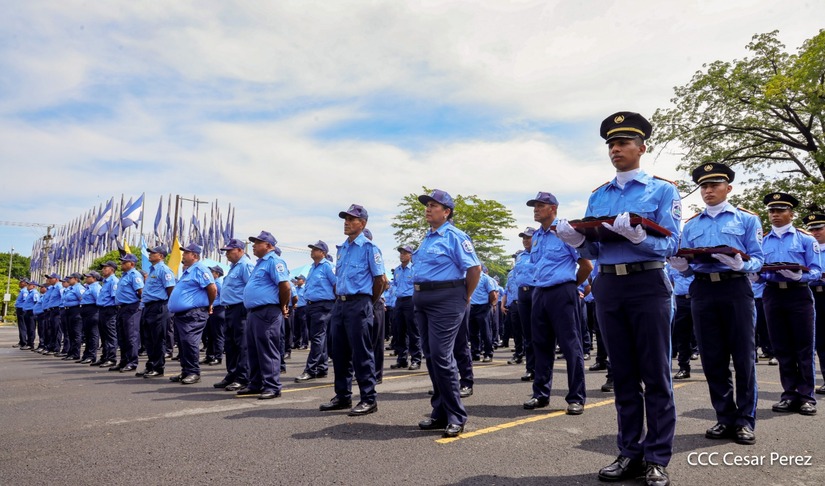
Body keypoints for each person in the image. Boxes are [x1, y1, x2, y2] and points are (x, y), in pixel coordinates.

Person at [555, 112, 680, 486]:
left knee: (655, 374)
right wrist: (578, 241)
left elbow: (673, 243)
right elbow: (594, 242)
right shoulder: (599, 194)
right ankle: (630, 452)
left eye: (624, 142)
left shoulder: (662, 189)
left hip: (648, 284)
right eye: (611, 143)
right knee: (623, 374)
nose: (616, 149)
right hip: (609, 285)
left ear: (642, 148)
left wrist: (641, 238)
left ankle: (657, 457)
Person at [668, 163, 764, 445]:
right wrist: (681, 267)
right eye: (704, 186)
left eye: (714, 185)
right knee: (713, 358)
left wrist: (743, 264)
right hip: (703, 291)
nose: (708, 191)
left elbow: (759, 258)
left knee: (744, 357)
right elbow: (687, 267)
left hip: (736, 288)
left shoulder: (747, 219)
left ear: (728, 188)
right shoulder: (692, 224)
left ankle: (745, 420)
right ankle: (724, 417)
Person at [413, 189, 481, 438]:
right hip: (423, 298)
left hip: (447, 298)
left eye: (433, 205)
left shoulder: (454, 236)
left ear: (447, 211)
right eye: (427, 205)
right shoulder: (428, 238)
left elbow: (474, 268)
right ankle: (440, 412)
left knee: (442, 356)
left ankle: (456, 415)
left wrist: (466, 296)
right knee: (431, 356)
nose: (428, 209)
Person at [524, 191, 592, 415]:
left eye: (540, 205)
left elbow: (586, 266)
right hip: (540, 292)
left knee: (570, 346)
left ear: (553, 208)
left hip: (562, 291)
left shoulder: (565, 232)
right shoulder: (537, 236)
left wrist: (573, 286)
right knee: (541, 345)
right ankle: (541, 394)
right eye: (534, 206)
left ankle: (576, 397)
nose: (536, 209)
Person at [758, 192, 822, 415]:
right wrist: (758, 276)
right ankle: (789, 394)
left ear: (791, 213)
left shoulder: (805, 239)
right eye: (772, 211)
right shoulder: (763, 240)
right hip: (773, 294)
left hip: (799, 294)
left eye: (780, 210)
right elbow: (759, 267)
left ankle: (806, 396)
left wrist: (800, 277)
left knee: (803, 347)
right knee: (782, 347)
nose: (775, 215)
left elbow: (816, 270)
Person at [319, 204, 385, 416]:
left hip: (359, 303)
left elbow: (380, 280)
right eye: (345, 219)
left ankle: (368, 398)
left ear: (362, 223)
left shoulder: (369, 248)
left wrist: (368, 302)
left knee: (361, 352)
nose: (347, 222)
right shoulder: (343, 249)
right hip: (341, 303)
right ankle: (343, 396)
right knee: (339, 352)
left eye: (352, 219)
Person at [240, 231, 291, 399]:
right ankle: (255, 383)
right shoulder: (260, 264)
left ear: (268, 245)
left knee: (267, 349)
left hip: (267, 311)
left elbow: (285, 286)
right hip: (254, 312)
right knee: (253, 349)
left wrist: (282, 305)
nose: (254, 245)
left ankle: (272, 386)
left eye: (258, 243)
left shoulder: (274, 261)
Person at [167, 243, 217, 385]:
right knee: (183, 344)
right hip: (182, 314)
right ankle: (186, 371)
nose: (183, 255)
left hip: (193, 313)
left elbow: (212, 288)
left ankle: (193, 372)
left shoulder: (200, 269)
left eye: (186, 253)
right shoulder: (189, 271)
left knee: (190, 342)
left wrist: (209, 304)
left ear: (194, 256)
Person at [213, 239, 254, 392]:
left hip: (240, 309)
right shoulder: (234, 267)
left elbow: (251, 287)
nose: (227, 254)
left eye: (230, 251)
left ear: (239, 250)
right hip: (229, 309)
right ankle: (232, 374)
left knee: (242, 345)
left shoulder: (245, 265)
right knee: (230, 344)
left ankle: (243, 377)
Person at [295, 240, 336, 383]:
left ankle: (310, 370)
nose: (312, 251)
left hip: (323, 305)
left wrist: (334, 304)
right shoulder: (313, 268)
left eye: (315, 249)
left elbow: (336, 284)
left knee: (317, 338)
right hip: (311, 305)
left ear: (323, 253)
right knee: (320, 338)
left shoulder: (328, 267)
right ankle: (322, 367)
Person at [136, 245, 175, 378]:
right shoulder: (152, 270)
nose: (150, 255)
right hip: (148, 307)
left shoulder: (164, 270)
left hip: (159, 306)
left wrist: (169, 308)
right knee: (148, 338)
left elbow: (171, 290)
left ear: (161, 256)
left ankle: (158, 367)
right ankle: (150, 365)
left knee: (158, 338)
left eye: (153, 253)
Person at [803, 213, 825, 394]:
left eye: (819, 228)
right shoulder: (808, 246)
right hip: (813, 294)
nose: (815, 232)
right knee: (821, 340)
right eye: (812, 229)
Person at [111, 254, 144, 372]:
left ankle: (132, 362)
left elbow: (141, 292)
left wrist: (139, 306)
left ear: (132, 264)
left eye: (125, 262)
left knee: (131, 336)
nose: (122, 264)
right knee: (122, 336)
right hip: (121, 308)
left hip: (131, 307)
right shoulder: (124, 276)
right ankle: (124, 361)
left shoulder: (134, 275)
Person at [391, 245, 420, 370]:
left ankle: (416, 359)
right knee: (399, 331)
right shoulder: (397, 270)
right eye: (401, 253)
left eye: (405, 253)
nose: (402, 255)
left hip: (411, 301)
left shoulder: (414, 269)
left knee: (413, 331)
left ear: (410, 255)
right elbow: (395, 285)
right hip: (399, 301)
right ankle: (402, 359)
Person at [514, 228, 537, 382]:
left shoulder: (539, 254)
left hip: (537, 291)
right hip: (523, 293)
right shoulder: (520, 256)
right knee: (527, 334)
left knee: (539, 333)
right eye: (523, 238)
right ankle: (530, 368)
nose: (525, 240)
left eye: (528, 238)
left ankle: (541, 368)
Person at [665, 264, 695, 379]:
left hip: (697, 298)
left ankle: (713, 368)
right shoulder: (672, 265)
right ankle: (684, 368)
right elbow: (670, 283)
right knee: (682, 337)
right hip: (680, 300)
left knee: (705, 336)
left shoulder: (694, 261)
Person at [468, 266, 497, 363]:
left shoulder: (486, 278)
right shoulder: (469, 277)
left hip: (483, 307)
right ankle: (475, 353)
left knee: (485, 332)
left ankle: (488, 353)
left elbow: (492, 294)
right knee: (473, 333)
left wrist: (490, 305)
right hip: (471, 307)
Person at [94, 262, 120, 368]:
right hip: (103, 310)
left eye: (105, 268)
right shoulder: (106, 282)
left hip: (110, 310)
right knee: (104, 335)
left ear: (112, 269)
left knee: (110, 335)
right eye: (103, 268)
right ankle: (105, 356)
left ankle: (111, 358)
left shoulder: (113, 281)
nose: (103, 270)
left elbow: (115, 297)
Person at [202, 265, 225, 366]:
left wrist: (212, 304)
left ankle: (218, 356)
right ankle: (210, 355)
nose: (210, 273)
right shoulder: (213, 282)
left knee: (217, 335)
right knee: (210, 334)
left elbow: (223, 297)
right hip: (212, 310)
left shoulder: (219, 283)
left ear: (217, 274)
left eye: (212, 272)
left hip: (218, 310)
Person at [60, 273, 86, 361]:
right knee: (70, 332)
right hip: (68, 310)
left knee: (76, 333)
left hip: (76, 311)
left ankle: (75, 353)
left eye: (70, 278)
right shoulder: (71, 288)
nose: (68, 280)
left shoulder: (79, 288)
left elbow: (82, 299)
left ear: (76, 279)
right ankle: (70, 352)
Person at [78, 271, 101, 364]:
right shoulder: (88, 287)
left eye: (88, 277)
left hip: (93, 311)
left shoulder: (96, 287)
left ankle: (92, 356)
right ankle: (86, 355)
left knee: (92, 334)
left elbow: (98, 300)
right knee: (87, 334)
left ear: (94, 278)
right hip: (86, 312)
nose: (86, 278)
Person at [15, 279, 30, 349]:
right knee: (20, 326)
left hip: (22, 310)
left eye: (21, 282)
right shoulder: (22, 291)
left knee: (22, 326)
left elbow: (25, 300)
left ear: (25, 283)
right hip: (20, 309)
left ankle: (24, 342)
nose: (19, 283)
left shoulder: (24, 291)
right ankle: (21, 341)